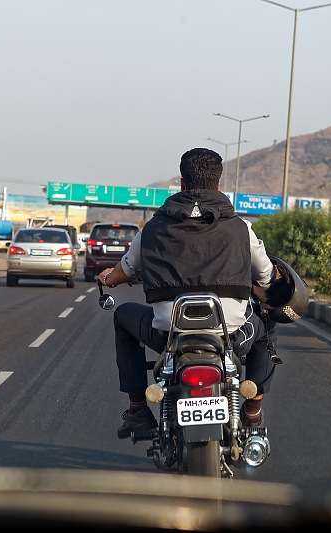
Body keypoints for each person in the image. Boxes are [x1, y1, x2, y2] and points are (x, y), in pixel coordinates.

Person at [98, 147, 281, 439]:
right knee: (268, 321)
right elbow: (267, 276)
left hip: (168, 335)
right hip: (230, 335)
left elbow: (124, 271)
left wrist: (109, 279)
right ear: (218, 184)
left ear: (182, 183)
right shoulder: (241, 228)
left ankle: (136, 409)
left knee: (122, 316)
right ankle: (252, 409)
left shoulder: (153, 228)